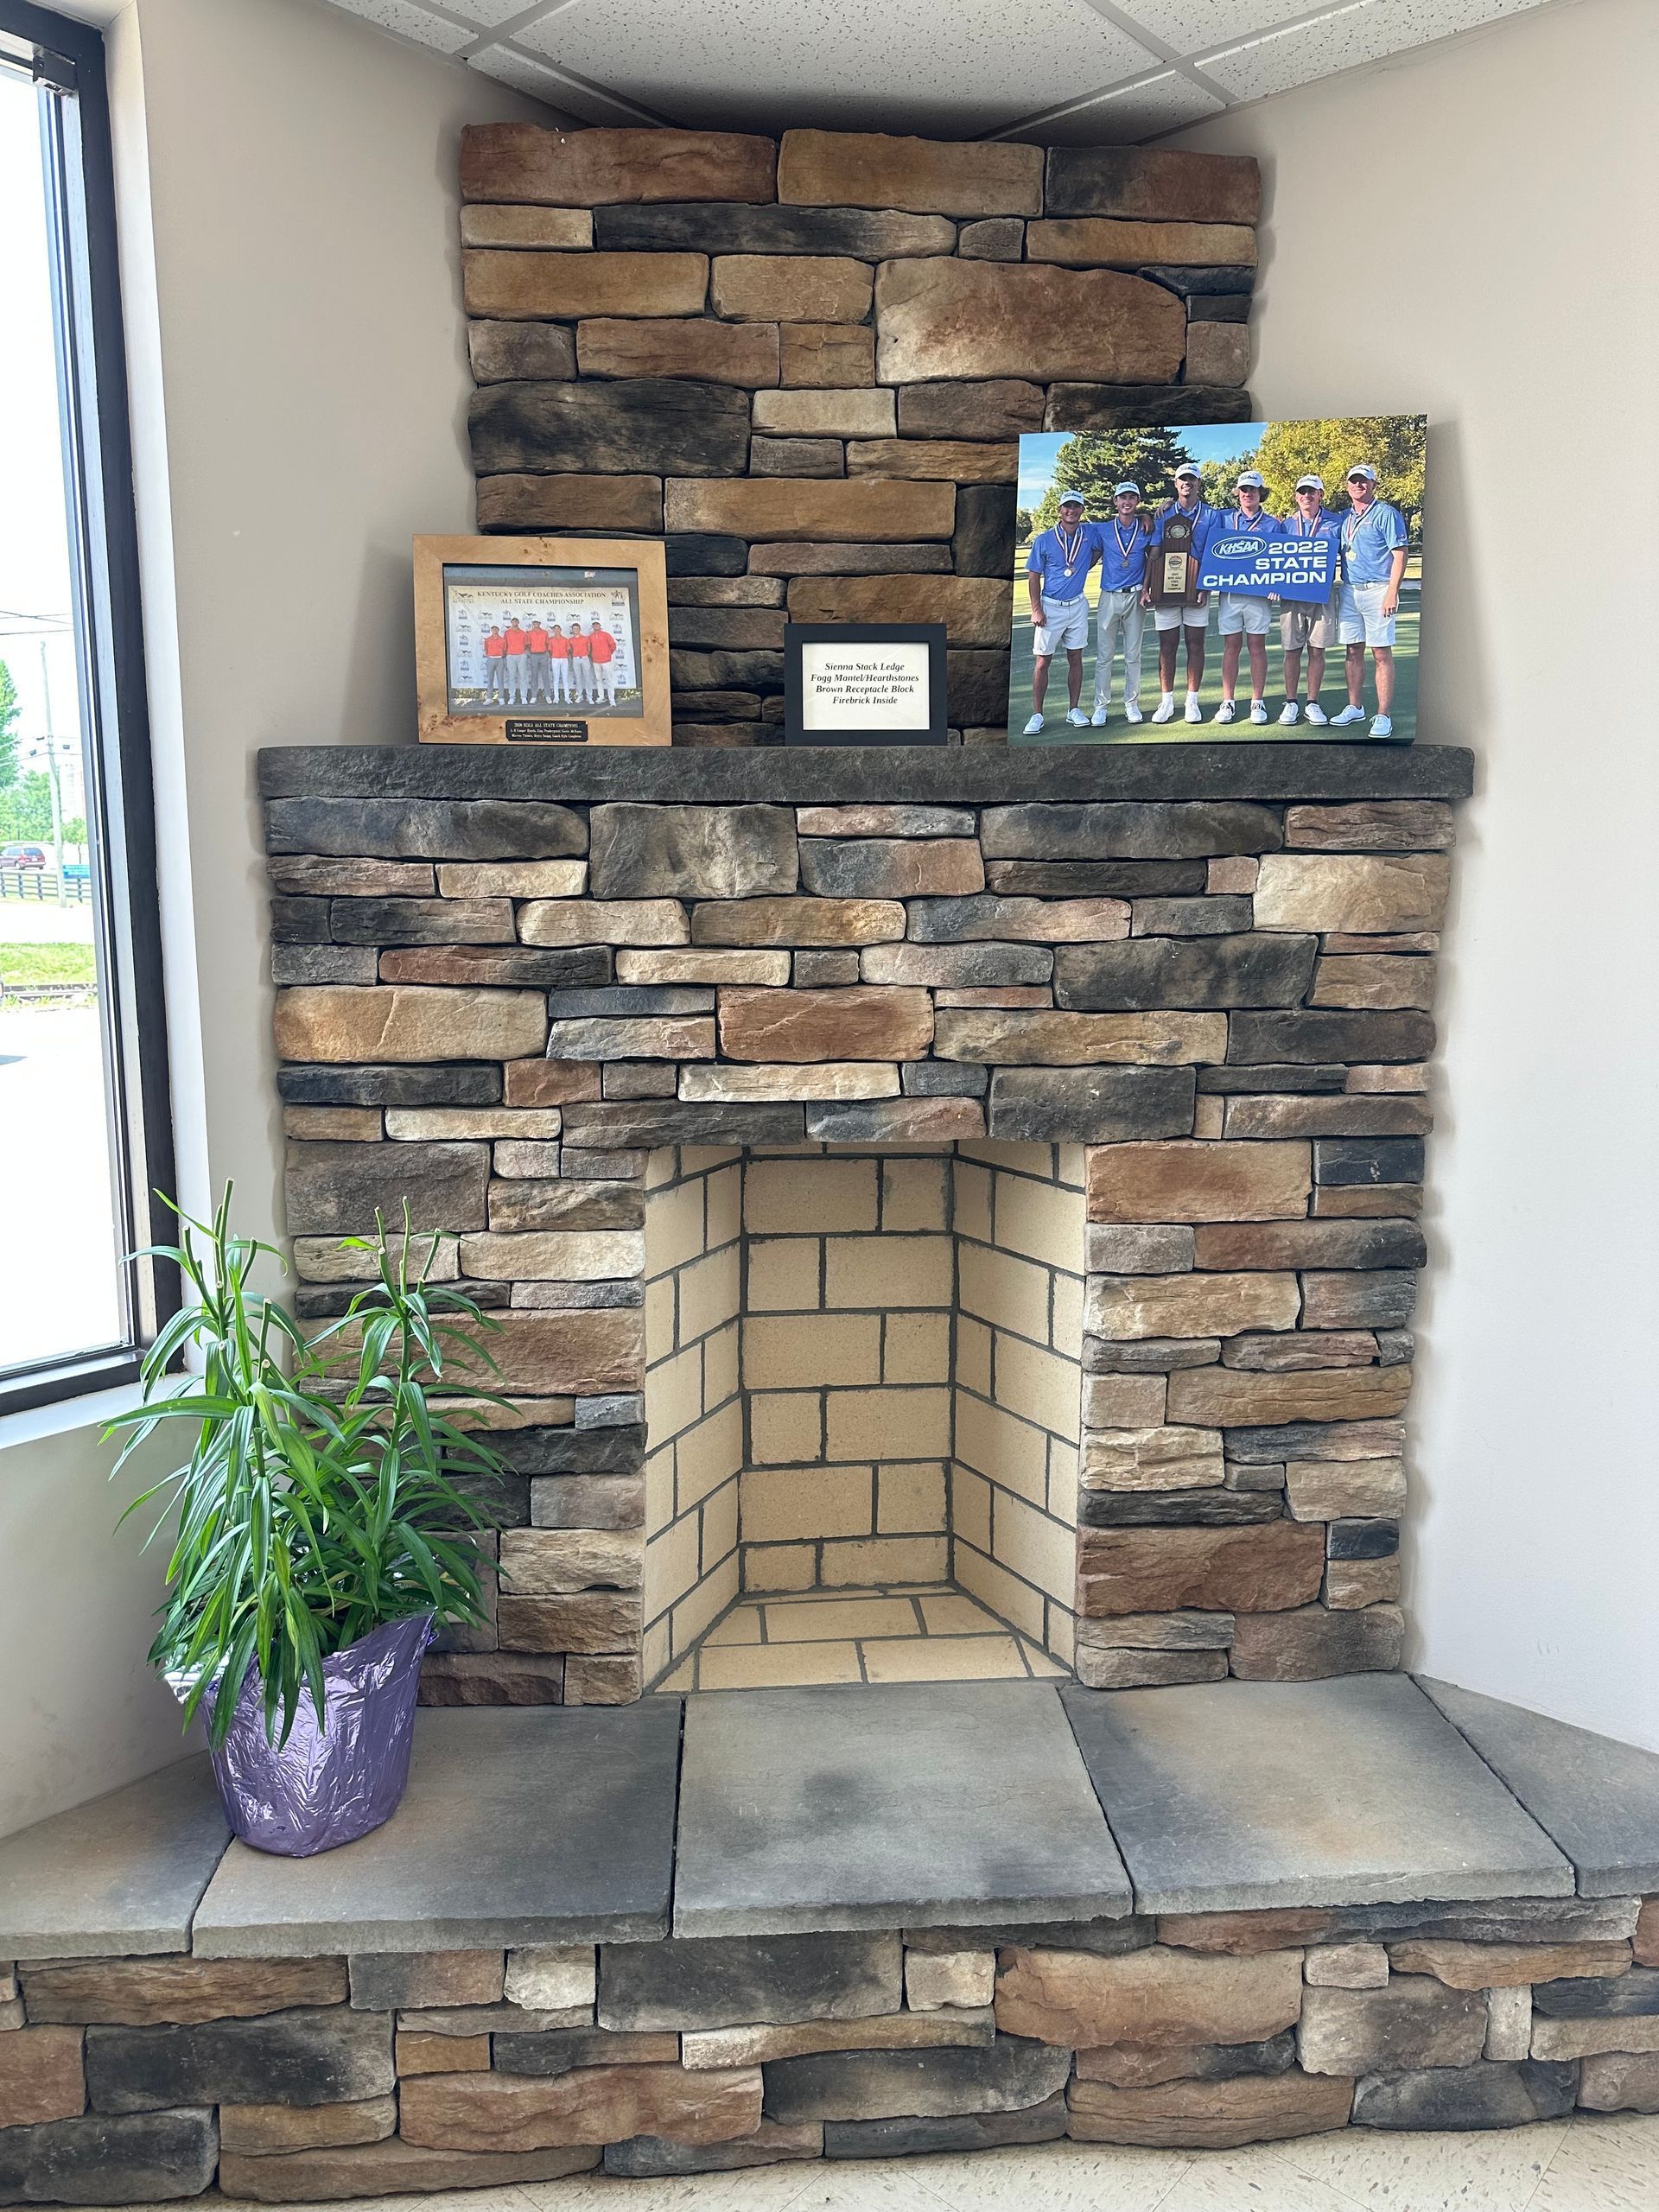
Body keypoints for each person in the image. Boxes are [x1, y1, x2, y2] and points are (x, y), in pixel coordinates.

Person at [1331, 463, 1408, 739]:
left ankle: (1383, 714)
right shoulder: (1343, 517)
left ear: (1373, 485)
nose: (1358, 485)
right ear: (1347, 485)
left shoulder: (1386, 513)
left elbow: (1400, 554)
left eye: (1364, 481)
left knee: (1381, 653)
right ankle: (1355, 707)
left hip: (1378, 589)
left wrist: (1392, 591)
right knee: (1352, 651)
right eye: (1354, 481)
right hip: (1350, 589)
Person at [1143, 463, 1219, 724]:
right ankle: (1166, 702)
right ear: (1175, 484)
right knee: (1167, 647)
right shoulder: (1163, 514)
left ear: (1199, 483)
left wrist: (1205, 587)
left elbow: (1214, 553)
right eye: (1182, 479)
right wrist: (1147, 587)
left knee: (1196, 644)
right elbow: (1154, 552)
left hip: (1196, 590)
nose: (1187, 483)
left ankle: (1192, 702)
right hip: (1166, 588)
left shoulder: (1211, 515)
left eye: (1192, 479)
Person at [1023, 490, 1097, 734]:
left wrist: (1146, 517)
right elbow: (1033, 577)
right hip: (1050, 607)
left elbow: (1115, 529)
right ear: (1060, 510)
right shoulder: (1044, 539)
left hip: (1077, 605)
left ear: (1082, 510)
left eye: (1076, 506)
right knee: (1043, 661)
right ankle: (1037, 714)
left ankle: (1073, 709)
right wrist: (1036, 609)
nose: (1071, 510)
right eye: (1067, 506)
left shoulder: (1089, 533)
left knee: (1075, 658)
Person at [1213, 469, 1281, 725]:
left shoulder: (1272, 523)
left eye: (1252, 489)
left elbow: (1279, 558)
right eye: (1243, 490)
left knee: (1256, 647)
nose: (1247, 494)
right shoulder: (1224, 519)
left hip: (1259, 594)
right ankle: (1228, 701)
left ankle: (1257, 701)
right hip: (1230, 593)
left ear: (1260, 493)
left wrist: (1277, 584)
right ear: (1237, 493)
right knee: (1231, 647)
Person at [1277, 474, 1341, 725]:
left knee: (1317, 650)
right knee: (1292, 650)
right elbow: (1275, 561)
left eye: (1312, 491)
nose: (1307, 496)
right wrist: (1274, 585)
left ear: (1321, 495)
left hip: (1321, 595)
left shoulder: (1336, 522)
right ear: (1296, 496)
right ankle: (1291, 702)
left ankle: (1312, 702)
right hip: (1291, 596)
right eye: (1302, 492)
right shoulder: (1286, 526)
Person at [1090, 482, 1148, 727]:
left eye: (1131, 498)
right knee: (1104, 656)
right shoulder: (1102, 529)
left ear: (1137, 502)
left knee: (1132, 656)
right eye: (1122, 497)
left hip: (1136, 596)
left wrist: (1147, 588)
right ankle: (1101, 707)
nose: (1127, 502)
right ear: (1115, 502)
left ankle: (1131, 704)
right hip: (1109, 597)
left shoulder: (1147, 527)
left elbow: (1154, 558)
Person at [587, 617, 618, 708]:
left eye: (597, 625)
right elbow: (589, 648)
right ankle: (601, 697)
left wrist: (608, 654)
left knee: (609, 680)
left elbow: (613, 646)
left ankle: (612, 700)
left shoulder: (606, 635)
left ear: (600, 626)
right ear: (592, 627)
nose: (596, 626)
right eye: (594, 625)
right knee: (598, 679)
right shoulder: (590, 637)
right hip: (596, 661)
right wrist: (592, 655)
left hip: (606, 661)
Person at [503, 614, 529, 705]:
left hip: (521, 655)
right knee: (511, 677)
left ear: (518, 622)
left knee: (523, 677)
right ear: (511, 622)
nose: (514, 622)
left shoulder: (523, 633)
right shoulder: (507, 633)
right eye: (513, 621)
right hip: (510, 655)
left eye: (516, 621)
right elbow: (504, 644)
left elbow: (526, 645)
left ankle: (524, 697)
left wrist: (520, 651)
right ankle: (512, 697)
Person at [524, 615, 550, 703]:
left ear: (540, 623)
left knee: (545, 676)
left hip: (543, 655)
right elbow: (528, 645)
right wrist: (530, 654)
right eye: (534, 623)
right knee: (534, 676)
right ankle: (534, 695)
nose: (536, 624)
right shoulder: (530, 633)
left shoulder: (545, 632)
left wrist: (546, 653)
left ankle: (548, 695)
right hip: (534, 655)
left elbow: (547, 644)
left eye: (537, 623)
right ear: (533, 624)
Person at [569, 615, 594, 704]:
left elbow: (589, 648)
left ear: (579, 629)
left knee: (587, 678)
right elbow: (570, 650)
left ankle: (589, 697)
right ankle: (579, 696)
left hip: (584, 658)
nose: (575, 630)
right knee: (578, 678)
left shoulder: (585, 638)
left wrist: (586, 654)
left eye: (577, 628)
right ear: (572, 630)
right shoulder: (570, 640)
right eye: (574, 629)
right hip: (576, 659)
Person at [481, 623, 507, 703]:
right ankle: (489, 698)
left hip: (500, 659)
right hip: (491, 659)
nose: (494, 630)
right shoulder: (487, 640)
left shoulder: (503, 640)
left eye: (496, 628)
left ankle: (501, 697)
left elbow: (505, 650)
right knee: (490, 679)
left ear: (498, 630)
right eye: (493, 629)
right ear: (491, 630)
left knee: (500, 679)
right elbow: (486, 649)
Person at [547, 620, 571, 702]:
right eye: (555, 629)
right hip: (555, 659)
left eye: (558, 629)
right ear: (553, 630)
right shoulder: (551, 640)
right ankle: (556, 698)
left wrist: (563, 656)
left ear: (560, 630)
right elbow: (550, 651)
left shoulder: (565, 640)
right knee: (556, 679)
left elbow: (568, 650)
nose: (557, 630)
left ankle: (567, 697)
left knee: (565, 679)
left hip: (564, 659)